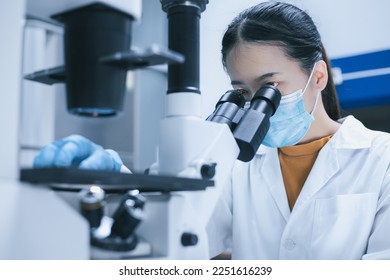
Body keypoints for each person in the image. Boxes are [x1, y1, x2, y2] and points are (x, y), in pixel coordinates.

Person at [34, 2, 390, 259]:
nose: (256, 106)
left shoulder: (381, 159)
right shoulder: (237, 161)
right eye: (243, 93)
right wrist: (115, 183)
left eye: (270, 87)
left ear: (318, 76)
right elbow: (176, 221)